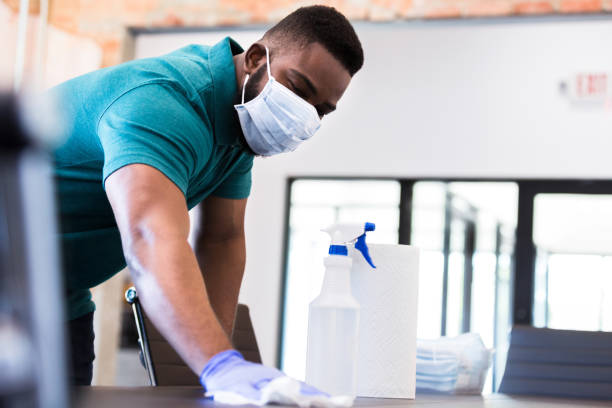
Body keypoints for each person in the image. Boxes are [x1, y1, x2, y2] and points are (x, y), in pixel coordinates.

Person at [51, 4, 364, 398]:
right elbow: (149, 236)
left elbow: (223, 239)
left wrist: (216, 376)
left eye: (321, 110)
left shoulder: (236, 130)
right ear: (254, 59)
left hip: (59, 296)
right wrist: (220, 364)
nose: (305, 114)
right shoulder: (163, 104)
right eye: (299, 89)